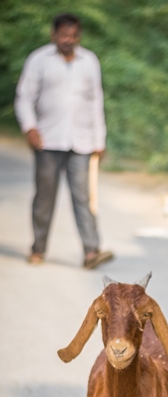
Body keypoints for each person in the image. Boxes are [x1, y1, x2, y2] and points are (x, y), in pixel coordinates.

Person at [14, 13, 114, 269]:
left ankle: (91, 251)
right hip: (47, 141)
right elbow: (24, 97)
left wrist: (99, 140)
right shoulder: (39, 59)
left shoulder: (89, 60)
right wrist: (30, 127)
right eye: (63, 35)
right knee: (45, 197)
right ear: (54, 35)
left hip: (81, 142)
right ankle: (38, 248)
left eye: (73, 36)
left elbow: (96, 102)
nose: (68, 40)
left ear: (78, 36)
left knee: (83, 196)